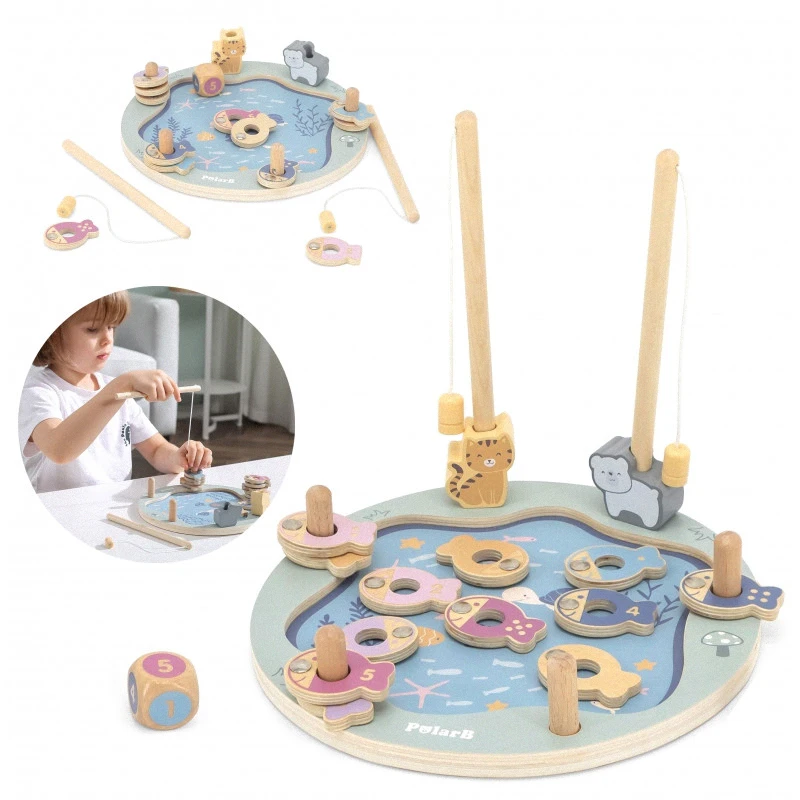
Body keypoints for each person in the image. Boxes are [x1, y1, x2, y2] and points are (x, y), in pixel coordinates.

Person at [19, 291, 212, 493]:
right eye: (93, 329)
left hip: (110, 505)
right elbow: (59, 450)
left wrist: (180, 457)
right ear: (52, 334)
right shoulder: (37, 392)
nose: (107, 339)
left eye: (111, 327)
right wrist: (122, 385)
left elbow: (156, 450)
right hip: (61, 506)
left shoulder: (116, 390)